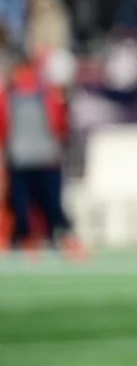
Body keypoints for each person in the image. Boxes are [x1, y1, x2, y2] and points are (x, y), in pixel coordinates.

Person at [0, 47, 84, 257]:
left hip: (42, 158)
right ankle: (31, 240)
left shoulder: (44, 93)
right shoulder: (17, 94)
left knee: (49, 205)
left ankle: (54, 239)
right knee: (24, 206)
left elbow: (60, 124)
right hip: (24, 159)